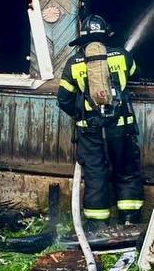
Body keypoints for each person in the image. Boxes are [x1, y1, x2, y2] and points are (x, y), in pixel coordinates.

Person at [56, 14, 145, 235]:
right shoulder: (122, 56)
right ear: (105, 34)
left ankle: (98, 225)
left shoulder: (74, 63)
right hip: (121, 127)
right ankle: (130, 219)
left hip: (91, 130)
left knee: (96, 174)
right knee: (126, 170)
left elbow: (64, 99)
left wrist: (82, 116)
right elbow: (137, 74)